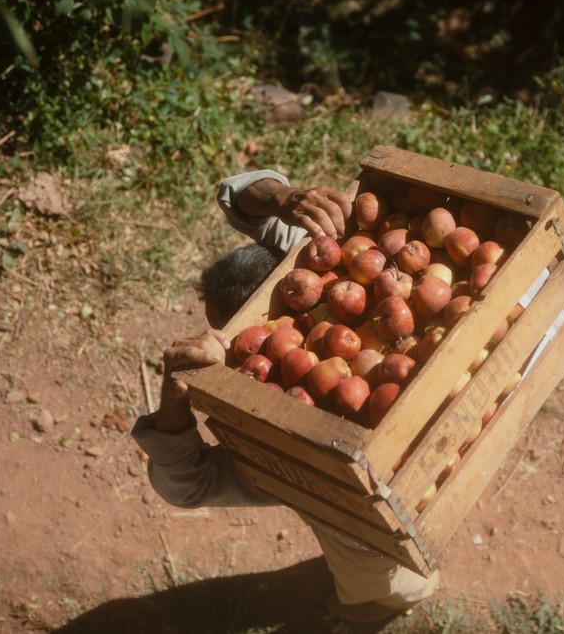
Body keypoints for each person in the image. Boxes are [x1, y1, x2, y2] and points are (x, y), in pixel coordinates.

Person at [131, 170, 440, 626]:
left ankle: (373, 609)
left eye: (240, 342)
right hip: (349, 499)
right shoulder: (271, 428)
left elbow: (238, 189)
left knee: (385, 583)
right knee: (377, 580)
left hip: (387, 493)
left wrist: (284, 196)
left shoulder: (316, 262)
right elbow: (186, 486)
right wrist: (176, 395)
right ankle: (374, 607)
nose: (235, 358)